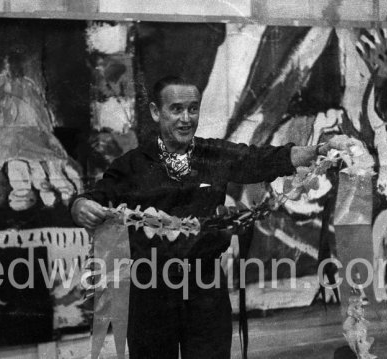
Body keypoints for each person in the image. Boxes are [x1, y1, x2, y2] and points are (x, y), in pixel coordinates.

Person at [71, 76, 364, 358]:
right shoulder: (132, 165)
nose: (186, 118)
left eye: (193, 109)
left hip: (205, 289)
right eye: (176, 109)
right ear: (155, 113)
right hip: (150, 291)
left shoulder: (214, 155)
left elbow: (265, 159)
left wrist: (321, 149)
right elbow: (95, 196)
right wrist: (80, 205)